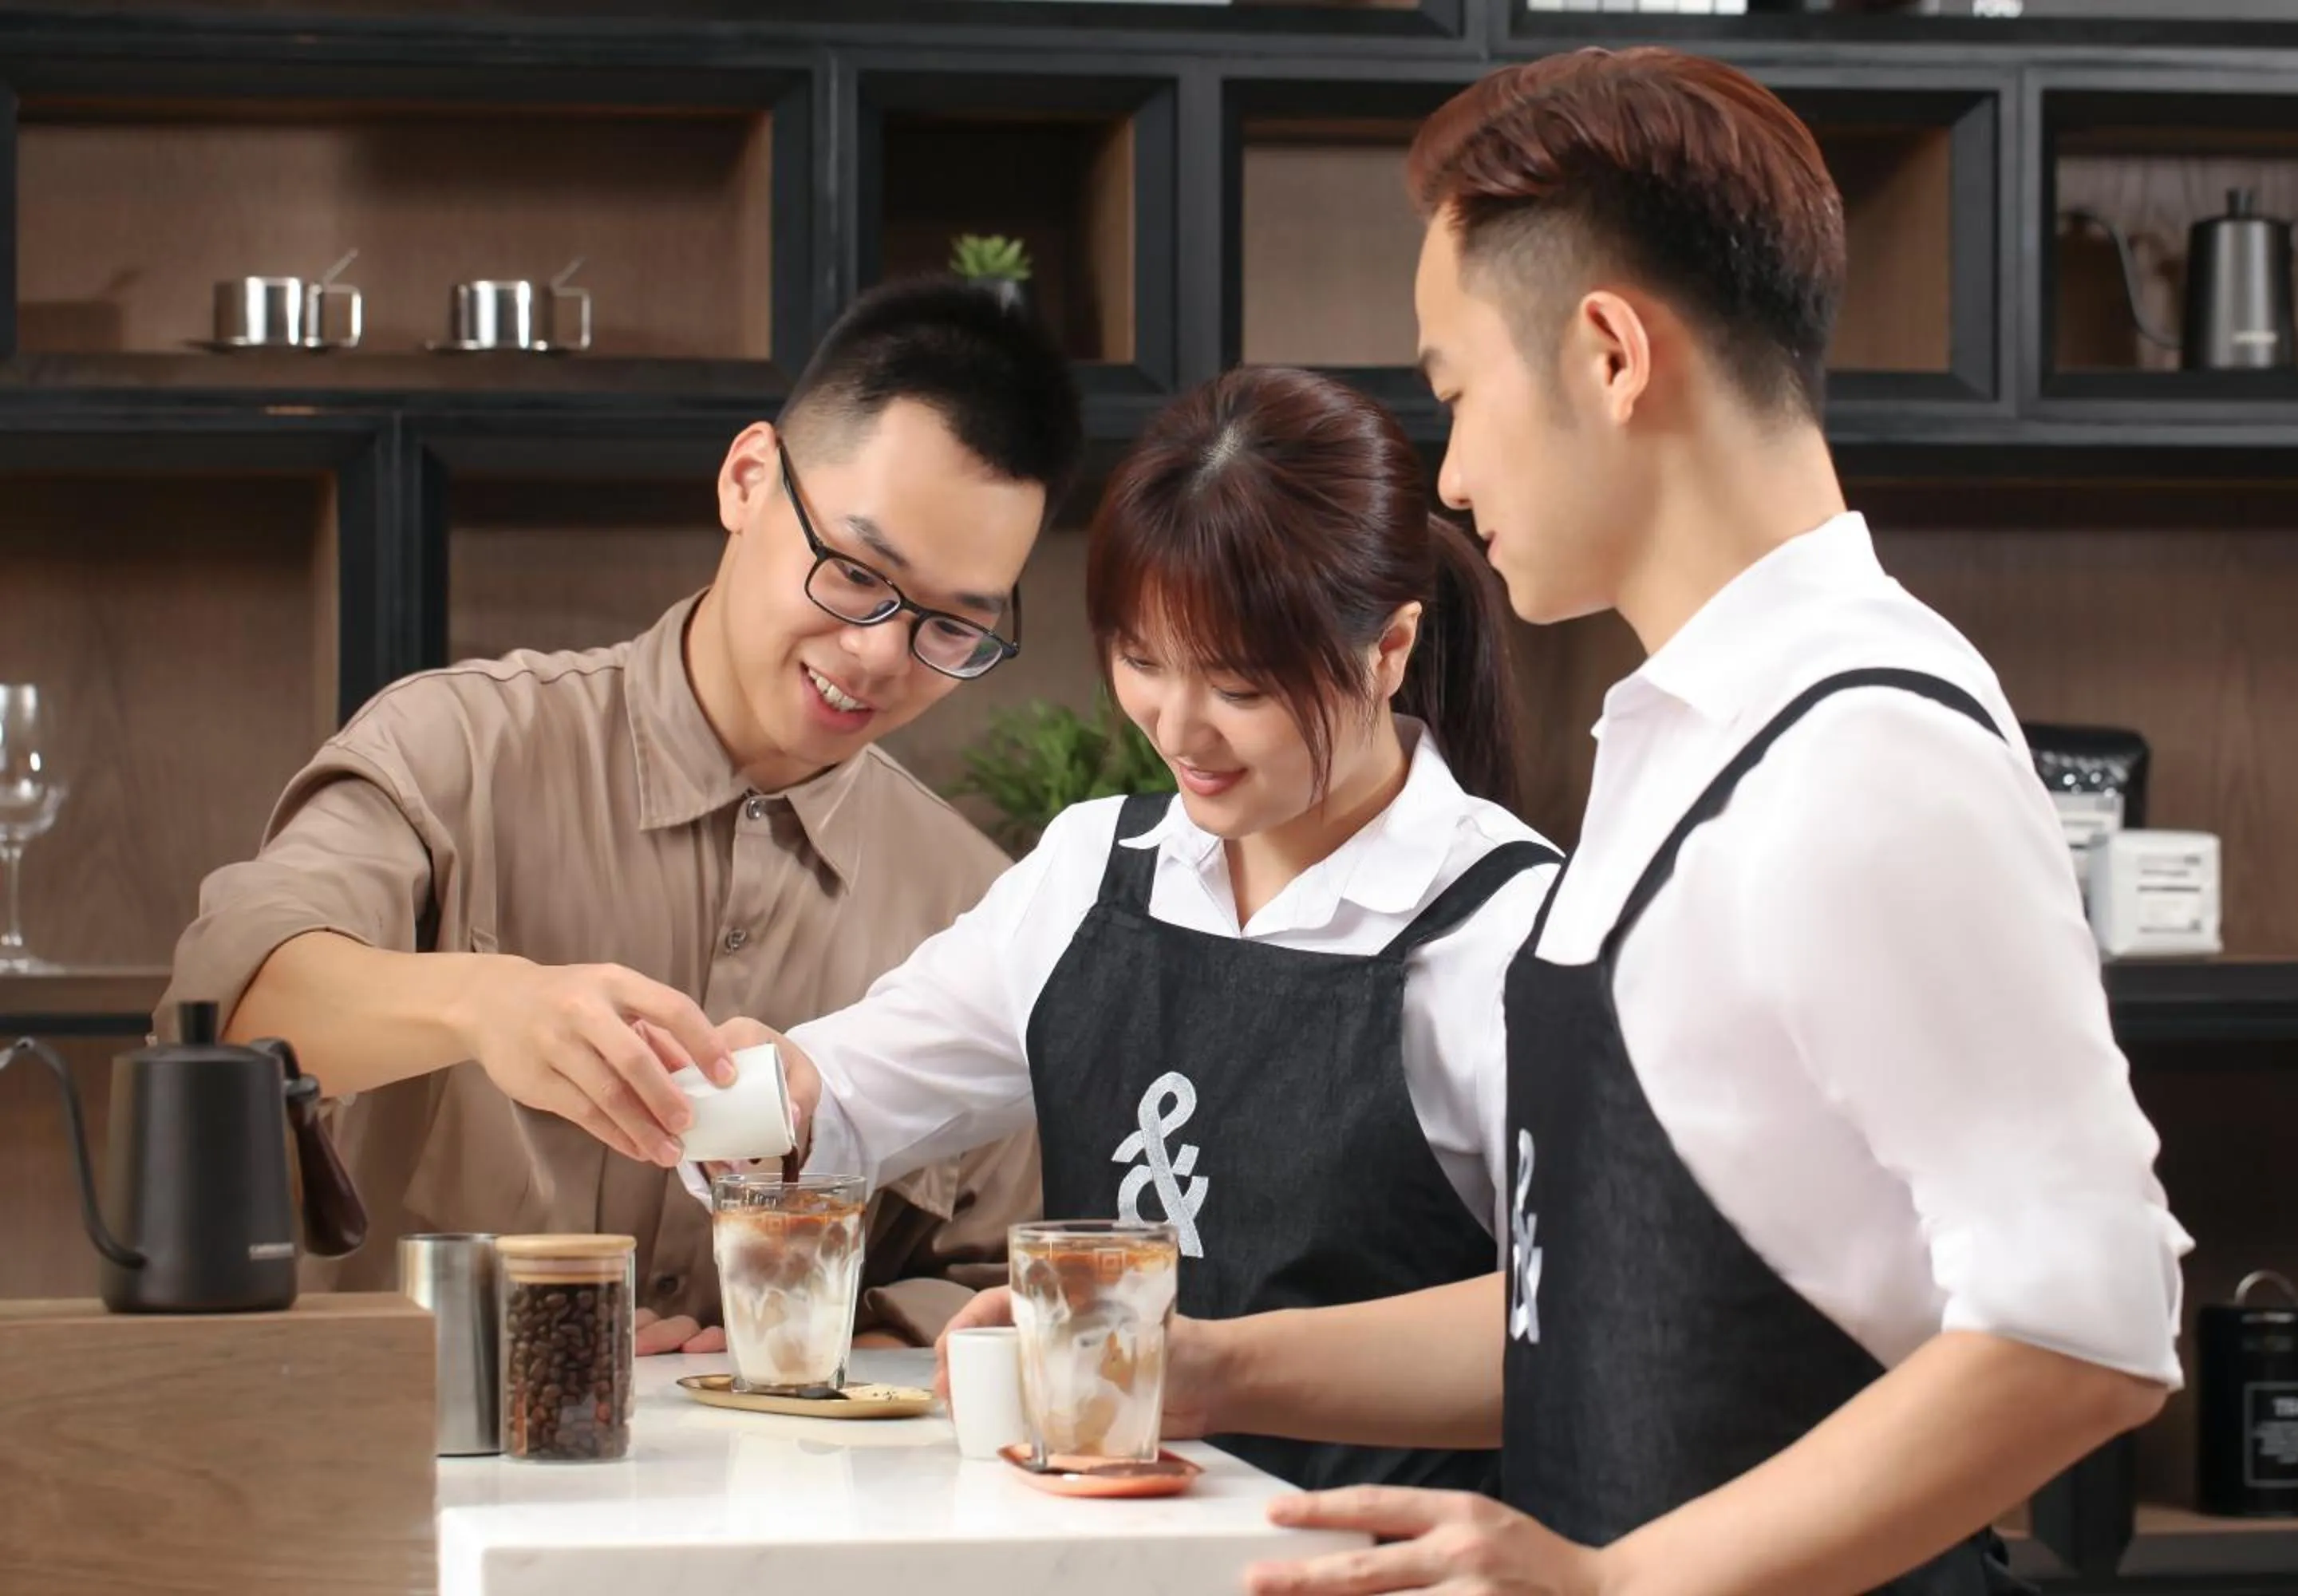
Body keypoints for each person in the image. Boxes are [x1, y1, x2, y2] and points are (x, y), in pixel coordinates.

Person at [946, 49, 2193, 1596]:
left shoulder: (1863, 751)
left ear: (1609, 356)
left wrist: (1613, 1585)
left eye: (1457, 392)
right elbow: (1580, 1308)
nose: (1452, 475)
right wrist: (1198, 1368)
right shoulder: (1682, 735)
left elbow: (2087, 1329)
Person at [160, 276, 1083, 1353]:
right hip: (409, 1478)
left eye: (950, 627)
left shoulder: (977, 905)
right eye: (855, 573)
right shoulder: (456, 750)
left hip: (779, 1503)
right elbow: (221, 1019)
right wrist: (483, 1004)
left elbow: (994, 1279)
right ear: (747, 481)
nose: (879, 653)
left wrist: (821, 1341)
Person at [713, 363, 1562, 1493]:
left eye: (1242, 687)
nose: (1179, 728)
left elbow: (1588, 1323)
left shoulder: (1516, 930)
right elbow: (845, 1095)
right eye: (1144, 662)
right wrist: (709, 1095)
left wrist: (1205, 1367)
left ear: (1389, 650)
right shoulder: (1095, 872)